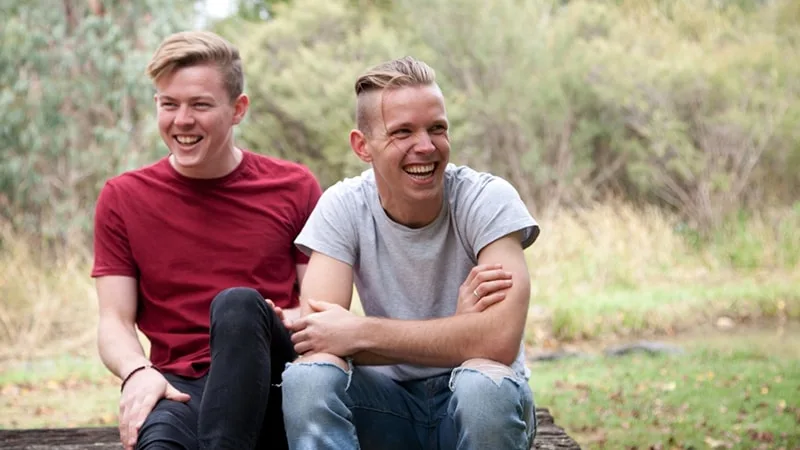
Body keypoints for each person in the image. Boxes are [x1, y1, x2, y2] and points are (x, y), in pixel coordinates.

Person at [280, 56, 540, 450]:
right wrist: (461, 330)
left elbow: (499, 341)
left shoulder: (487, 198)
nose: (426, 146)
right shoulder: (343, 205)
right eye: (403, 132)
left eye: (437, 128)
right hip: (387, 407)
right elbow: (322, 339)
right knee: (308, 378)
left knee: (482, 387)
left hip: (475, 406)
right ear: (362, 146)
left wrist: (362, 331)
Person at [91, 30, 321, 450]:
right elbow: (114, 320)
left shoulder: (294, 186)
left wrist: (288, 315)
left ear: (238, 109)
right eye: (169, 104)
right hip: (181, 386)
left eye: (199, 104)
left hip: (276, 381)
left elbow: (321, 304)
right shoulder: (123, 197)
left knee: (236, 305)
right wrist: (137, 372)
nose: (182, 120)